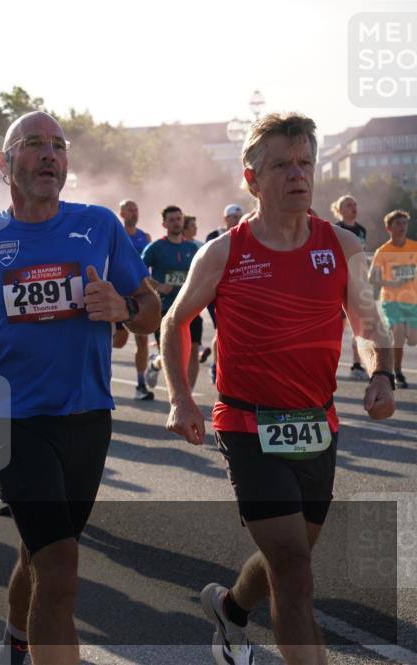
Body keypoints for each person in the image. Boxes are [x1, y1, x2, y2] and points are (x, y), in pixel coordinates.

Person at [0, 111, 160, 665]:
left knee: (42, 552)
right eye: (33, 144)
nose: (49, 155)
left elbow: (151, 308)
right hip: (14, 419)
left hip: (90, 415)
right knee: (62, 569)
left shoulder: (99, 225)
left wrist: (127, 307)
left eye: (58, 146)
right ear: (4, 163)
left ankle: (15, 643)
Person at [162, 112, 396, 665]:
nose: (298, 176)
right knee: (294, 568)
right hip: (247, 423)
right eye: (282, 166)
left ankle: (231, 607)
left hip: (317, 424)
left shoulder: (340, 246)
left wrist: (380, 372)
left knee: (288, 557)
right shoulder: (223, 252)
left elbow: (369, 325)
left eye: (305, 163)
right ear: (252, 179)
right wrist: (180, 396)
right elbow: (176, 322)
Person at [142, 205, 201, 391]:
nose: (176, 222)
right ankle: (154, 364)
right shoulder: (156, 248)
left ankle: (187, 395)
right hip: (165, 309)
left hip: (189, 307)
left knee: (192, 351)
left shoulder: (192, 247)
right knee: (169, 356)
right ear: (164, 224)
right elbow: (138, 272)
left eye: (178, 218)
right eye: (172, 220)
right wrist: (158, 286)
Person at [369, 209, 417, 389]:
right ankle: (397, 371)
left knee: (412, 339)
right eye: (398, 223)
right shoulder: (383, 251)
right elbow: (372, 278)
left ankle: (395, 338)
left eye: (404, 223)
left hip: (413, 301)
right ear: (389, 228)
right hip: (391, 300)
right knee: (398, 334)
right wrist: (391, 283)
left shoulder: (414, 247)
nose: (402, 227)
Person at [118, 199, 154, 400]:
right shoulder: (116, 234)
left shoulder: (144, 237)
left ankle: (141, 385)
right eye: (130, 210)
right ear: (122, 214)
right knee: (119, 341)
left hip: (139, 295)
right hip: (119, 294)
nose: (135, 213)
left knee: (142, 340)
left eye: (136, 209)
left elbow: (147, 267)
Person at [202, 204, 244, 373]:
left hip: (236, 290)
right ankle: (215, 365)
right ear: (225, 219)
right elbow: (207, 261)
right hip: (216, 290)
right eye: (232, 217)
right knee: (221, 329)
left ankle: (231, 365)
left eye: (238, 217)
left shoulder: (246, 234)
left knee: (235, 331)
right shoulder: (214, 236)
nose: (236, 221)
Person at [332, 194, 369, 380]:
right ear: (340, 209)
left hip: (356, 284)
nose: (353, 207)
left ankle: (356, 364)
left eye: (355, 204)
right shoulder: (335, 229)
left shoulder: (361, 230)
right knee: (336, 329)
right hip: (338, 284)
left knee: (359, 326)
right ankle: (330, 364)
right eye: (348, 204)